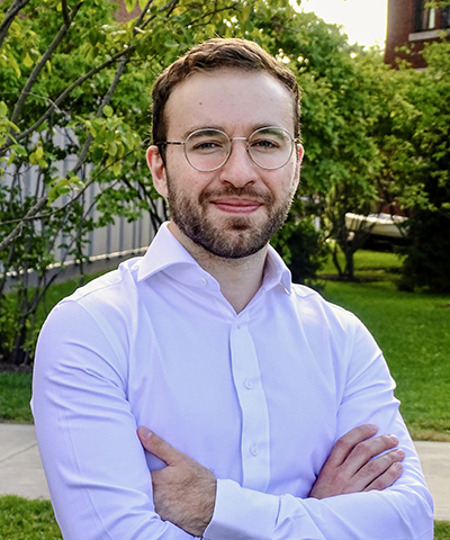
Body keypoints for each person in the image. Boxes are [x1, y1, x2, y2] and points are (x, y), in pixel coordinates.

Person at [32, 38, 433, 540]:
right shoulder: (91, 330)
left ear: (296, 162)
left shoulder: (342, 339)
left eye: (265, 142)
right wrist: (320, 512)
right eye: (206, 143)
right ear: (159, 168)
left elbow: (409, 522)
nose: (240, 173)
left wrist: (217, 507)